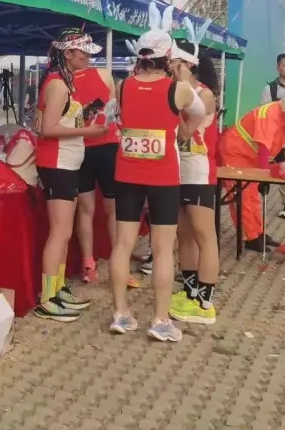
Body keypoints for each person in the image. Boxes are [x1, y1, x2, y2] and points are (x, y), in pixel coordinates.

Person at [109, 23, 204, 343]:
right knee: (163, 248)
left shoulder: (122, 86)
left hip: (127, 172)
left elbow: (116, 117)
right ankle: (160, 320)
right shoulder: (178, 89)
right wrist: (184, 132)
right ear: (168, 57)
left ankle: (120, 313)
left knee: (122, 244)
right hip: (163, 176)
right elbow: (201, 112)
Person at [33, 29, 107, 322]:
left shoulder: (63, 82)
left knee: (63, 233)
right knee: (60, 232)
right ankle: (47, 298)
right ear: (67, 54)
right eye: (83, 52)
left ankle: (58, 288)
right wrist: (88, 131)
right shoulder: (58, 85)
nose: (87, 57)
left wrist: (85, 123)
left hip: (67, 162)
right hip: (57, 163)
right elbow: (47, 128)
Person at [217, 95, 285, 250]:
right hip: (236, 152)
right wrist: (264, 176)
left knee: (253, 197)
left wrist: (281, 162)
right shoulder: (270, 115)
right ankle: (250, 238)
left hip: (250, 155)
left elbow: (276, 143)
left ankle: (258, 233)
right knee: (244, 196)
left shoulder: (284, 116)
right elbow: (264, 148)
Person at [168, 42, 220, 326]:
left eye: (174, 61)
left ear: (188, 64)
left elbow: (185, 130)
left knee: (204, 235)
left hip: (199, 170)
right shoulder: (175, 90)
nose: (169, 66)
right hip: (176, 170)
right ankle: (189, 292)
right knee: (184, 234)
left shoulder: (204, 94)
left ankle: (205, 302)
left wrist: (181, 85)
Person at [71, 60, 118, 284]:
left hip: (85, 147)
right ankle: (110, 263)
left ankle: (90, 263)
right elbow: (115, 109)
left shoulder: (60, 81)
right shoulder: (103, 74)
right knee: (110, 209)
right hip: (99, 145)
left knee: (88, 209)